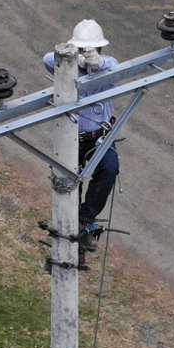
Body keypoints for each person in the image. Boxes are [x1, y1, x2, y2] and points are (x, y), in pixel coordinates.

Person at [43, 19, 119, 254]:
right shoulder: (66, 67)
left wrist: (99, 62)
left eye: (95, 50)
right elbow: (47, 59)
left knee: (109, 169)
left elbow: (116, 68)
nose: (91, 54)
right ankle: (68, 221)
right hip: (73, 137)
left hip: (100, 135)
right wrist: (73, 58)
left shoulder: (108, 67)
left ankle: (84, 219)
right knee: (70, 181)